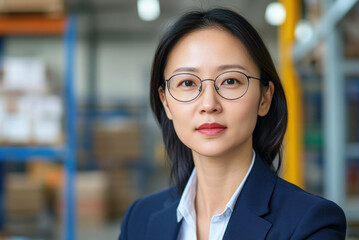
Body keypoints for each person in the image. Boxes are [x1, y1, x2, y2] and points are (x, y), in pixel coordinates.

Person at [118, 8, 346, 240]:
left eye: (230, 81)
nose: (208, 104)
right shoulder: (139, 219)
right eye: (187, 82)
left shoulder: (310, 224)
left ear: (264, 98)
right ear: (165, 102)